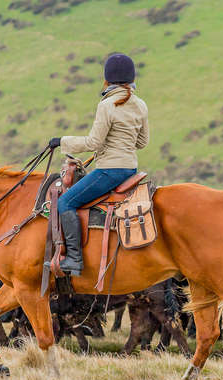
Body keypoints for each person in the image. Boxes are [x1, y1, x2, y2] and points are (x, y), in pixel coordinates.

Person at [48, 53, 149, 276]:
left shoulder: (106, 105)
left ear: (107, 80)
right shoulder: (140, 105)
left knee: (65, 202)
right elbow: (142, 142)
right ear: (131, 78)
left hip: (109, 172)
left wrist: (62, 141)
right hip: (130, 170)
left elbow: (94, 141)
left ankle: (74, 259)